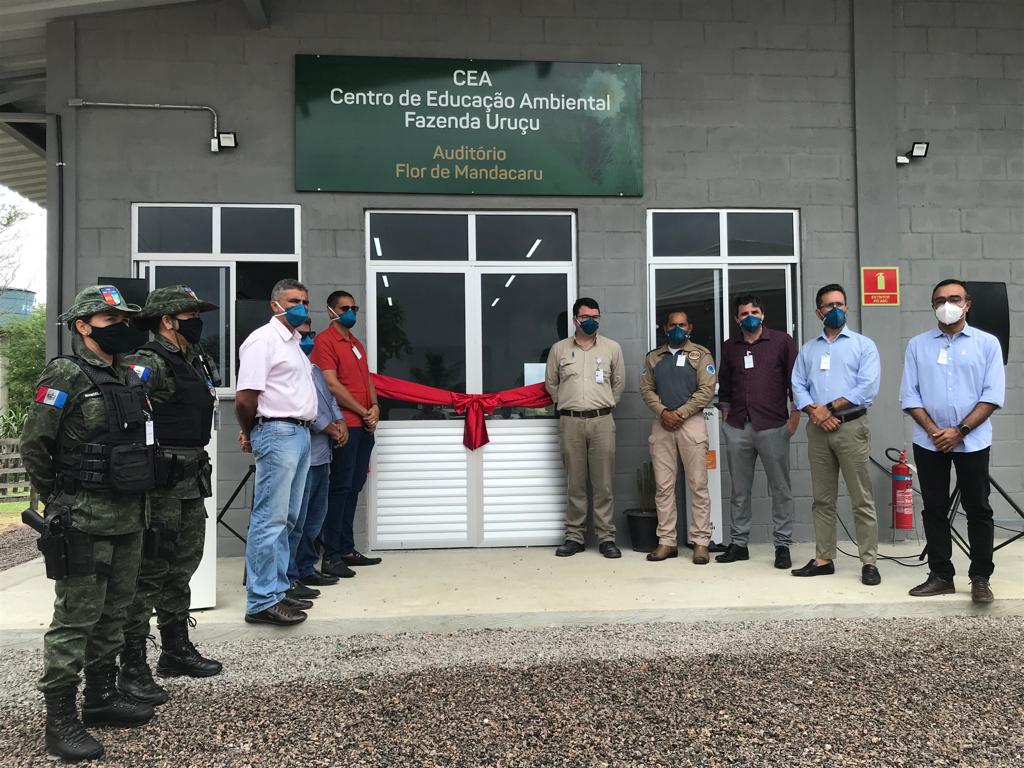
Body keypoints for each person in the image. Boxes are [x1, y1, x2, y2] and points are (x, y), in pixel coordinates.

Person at [21, 285, 156, 761]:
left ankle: (99, 699)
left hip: (128, 515)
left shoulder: (128, 375)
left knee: (115, 613)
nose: (120, 326)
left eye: (123, 319)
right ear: (83, 325)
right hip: (83, 517)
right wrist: (61, 498)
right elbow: (35, 445)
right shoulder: (66, 372)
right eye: (108, 319)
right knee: (76, 618)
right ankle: (60, 720)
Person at [117, 286, 222, 709]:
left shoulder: (190, 359)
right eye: (190, 314)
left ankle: (175, 650)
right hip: (161, 481)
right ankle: (132, 665)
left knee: (183, 565)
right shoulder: (149, 362)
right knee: (150, 572)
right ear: (167, 320)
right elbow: (128, 417)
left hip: (191, 477)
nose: (197, 321)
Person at [899, 279, 1005, 604]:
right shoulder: (917, 345)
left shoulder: (987, 344)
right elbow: (909, 394)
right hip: (929, 442)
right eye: (941, 300)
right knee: (934, 508)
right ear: (933, 306)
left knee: (979, 509)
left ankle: (980, 577)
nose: (948, 304)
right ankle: (942, 574)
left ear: (967, 303)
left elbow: (992, 395)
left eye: (954, 298)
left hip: (972, 442)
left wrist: (959, 430)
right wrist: (935, 431)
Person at [235, 279, 318, 626]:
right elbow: (244, 397)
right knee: (270, 518)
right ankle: (261, 600)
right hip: (277, 431)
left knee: (289, 517)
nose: (301, 306)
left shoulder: (295, 344)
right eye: (293, 301)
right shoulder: (263, 340)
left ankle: (279, 587)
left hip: (299, 433)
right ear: (275, 305)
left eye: (304, 301)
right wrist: (250, 430)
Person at [791, 283, 881, 585]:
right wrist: (813, 412)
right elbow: (798, 386)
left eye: (840, 304)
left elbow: (866, 387)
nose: (835, 310)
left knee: (861, 498)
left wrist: (827, 408)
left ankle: (869, 561)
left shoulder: (863, 345)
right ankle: (824, 558)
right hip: (818, 430)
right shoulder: (808, 349)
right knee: (822, 499)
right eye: (828, 306)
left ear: (847, 308)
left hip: (851, 427)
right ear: (819, 312)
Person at [715, 295, 800, 569]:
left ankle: (783, 545)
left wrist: (795, 416)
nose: (749, 316)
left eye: (754, 311)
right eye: (743, 313)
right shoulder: (730, 347)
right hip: (738, 426)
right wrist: (725, 414)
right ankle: (739, 544)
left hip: (774, 425)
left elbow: (795, 381)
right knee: (740, 490)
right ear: (737, 319)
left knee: (780, 489)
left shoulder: (781, 342)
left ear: (763, 314)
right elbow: (724, 383)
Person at [544, 298, 625, 558]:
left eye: (595, 316)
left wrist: (602, 404)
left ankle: (606, 538)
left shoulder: (612, 348)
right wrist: (568, 403)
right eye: (585, 316)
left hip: (602, 421)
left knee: (603, 483)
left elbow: (619, 384)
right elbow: (551, 384)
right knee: (575, 483)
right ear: (574, 319)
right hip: (570, 422)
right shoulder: (559, 350)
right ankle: (574, 537)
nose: (591, 321)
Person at [310, 290, 382, 578]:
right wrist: (362, 411)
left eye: (354, 307)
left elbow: (367, 379)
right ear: (331, 311)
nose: (351, 312)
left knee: (354, 487)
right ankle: (331, 556)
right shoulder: (325, 342)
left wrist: (375, 406)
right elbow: (331, 384)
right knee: (339, 489)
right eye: (345, 307)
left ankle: (347, 548)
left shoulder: (356, 344)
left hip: (364, 424)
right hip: (346, 425)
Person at [639, 309, 717, 564]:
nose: (677, 329)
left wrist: (680, 413)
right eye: (673, 325)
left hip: (691, 423)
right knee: (663, 487)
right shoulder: (654, 358)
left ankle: (701, 542)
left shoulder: (701, 355)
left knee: (698, 485)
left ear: (690, 327)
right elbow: (646, 389)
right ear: (665, 328)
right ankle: (666, 541)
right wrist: (663, 412)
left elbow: (706, 391)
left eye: (682, 325)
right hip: (662, 424)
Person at [287, 319, 348, 599]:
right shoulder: (292, 370)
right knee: (295, 522)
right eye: (303, 334)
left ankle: (306, 567)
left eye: (311, 333)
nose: (308, 338)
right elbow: (302, 408)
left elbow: (330, 401)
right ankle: (290, 576)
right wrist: (327, 427)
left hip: (323, 456)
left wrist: (340, 422)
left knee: (314, 519)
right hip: (304, 456)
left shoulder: (313, 369)